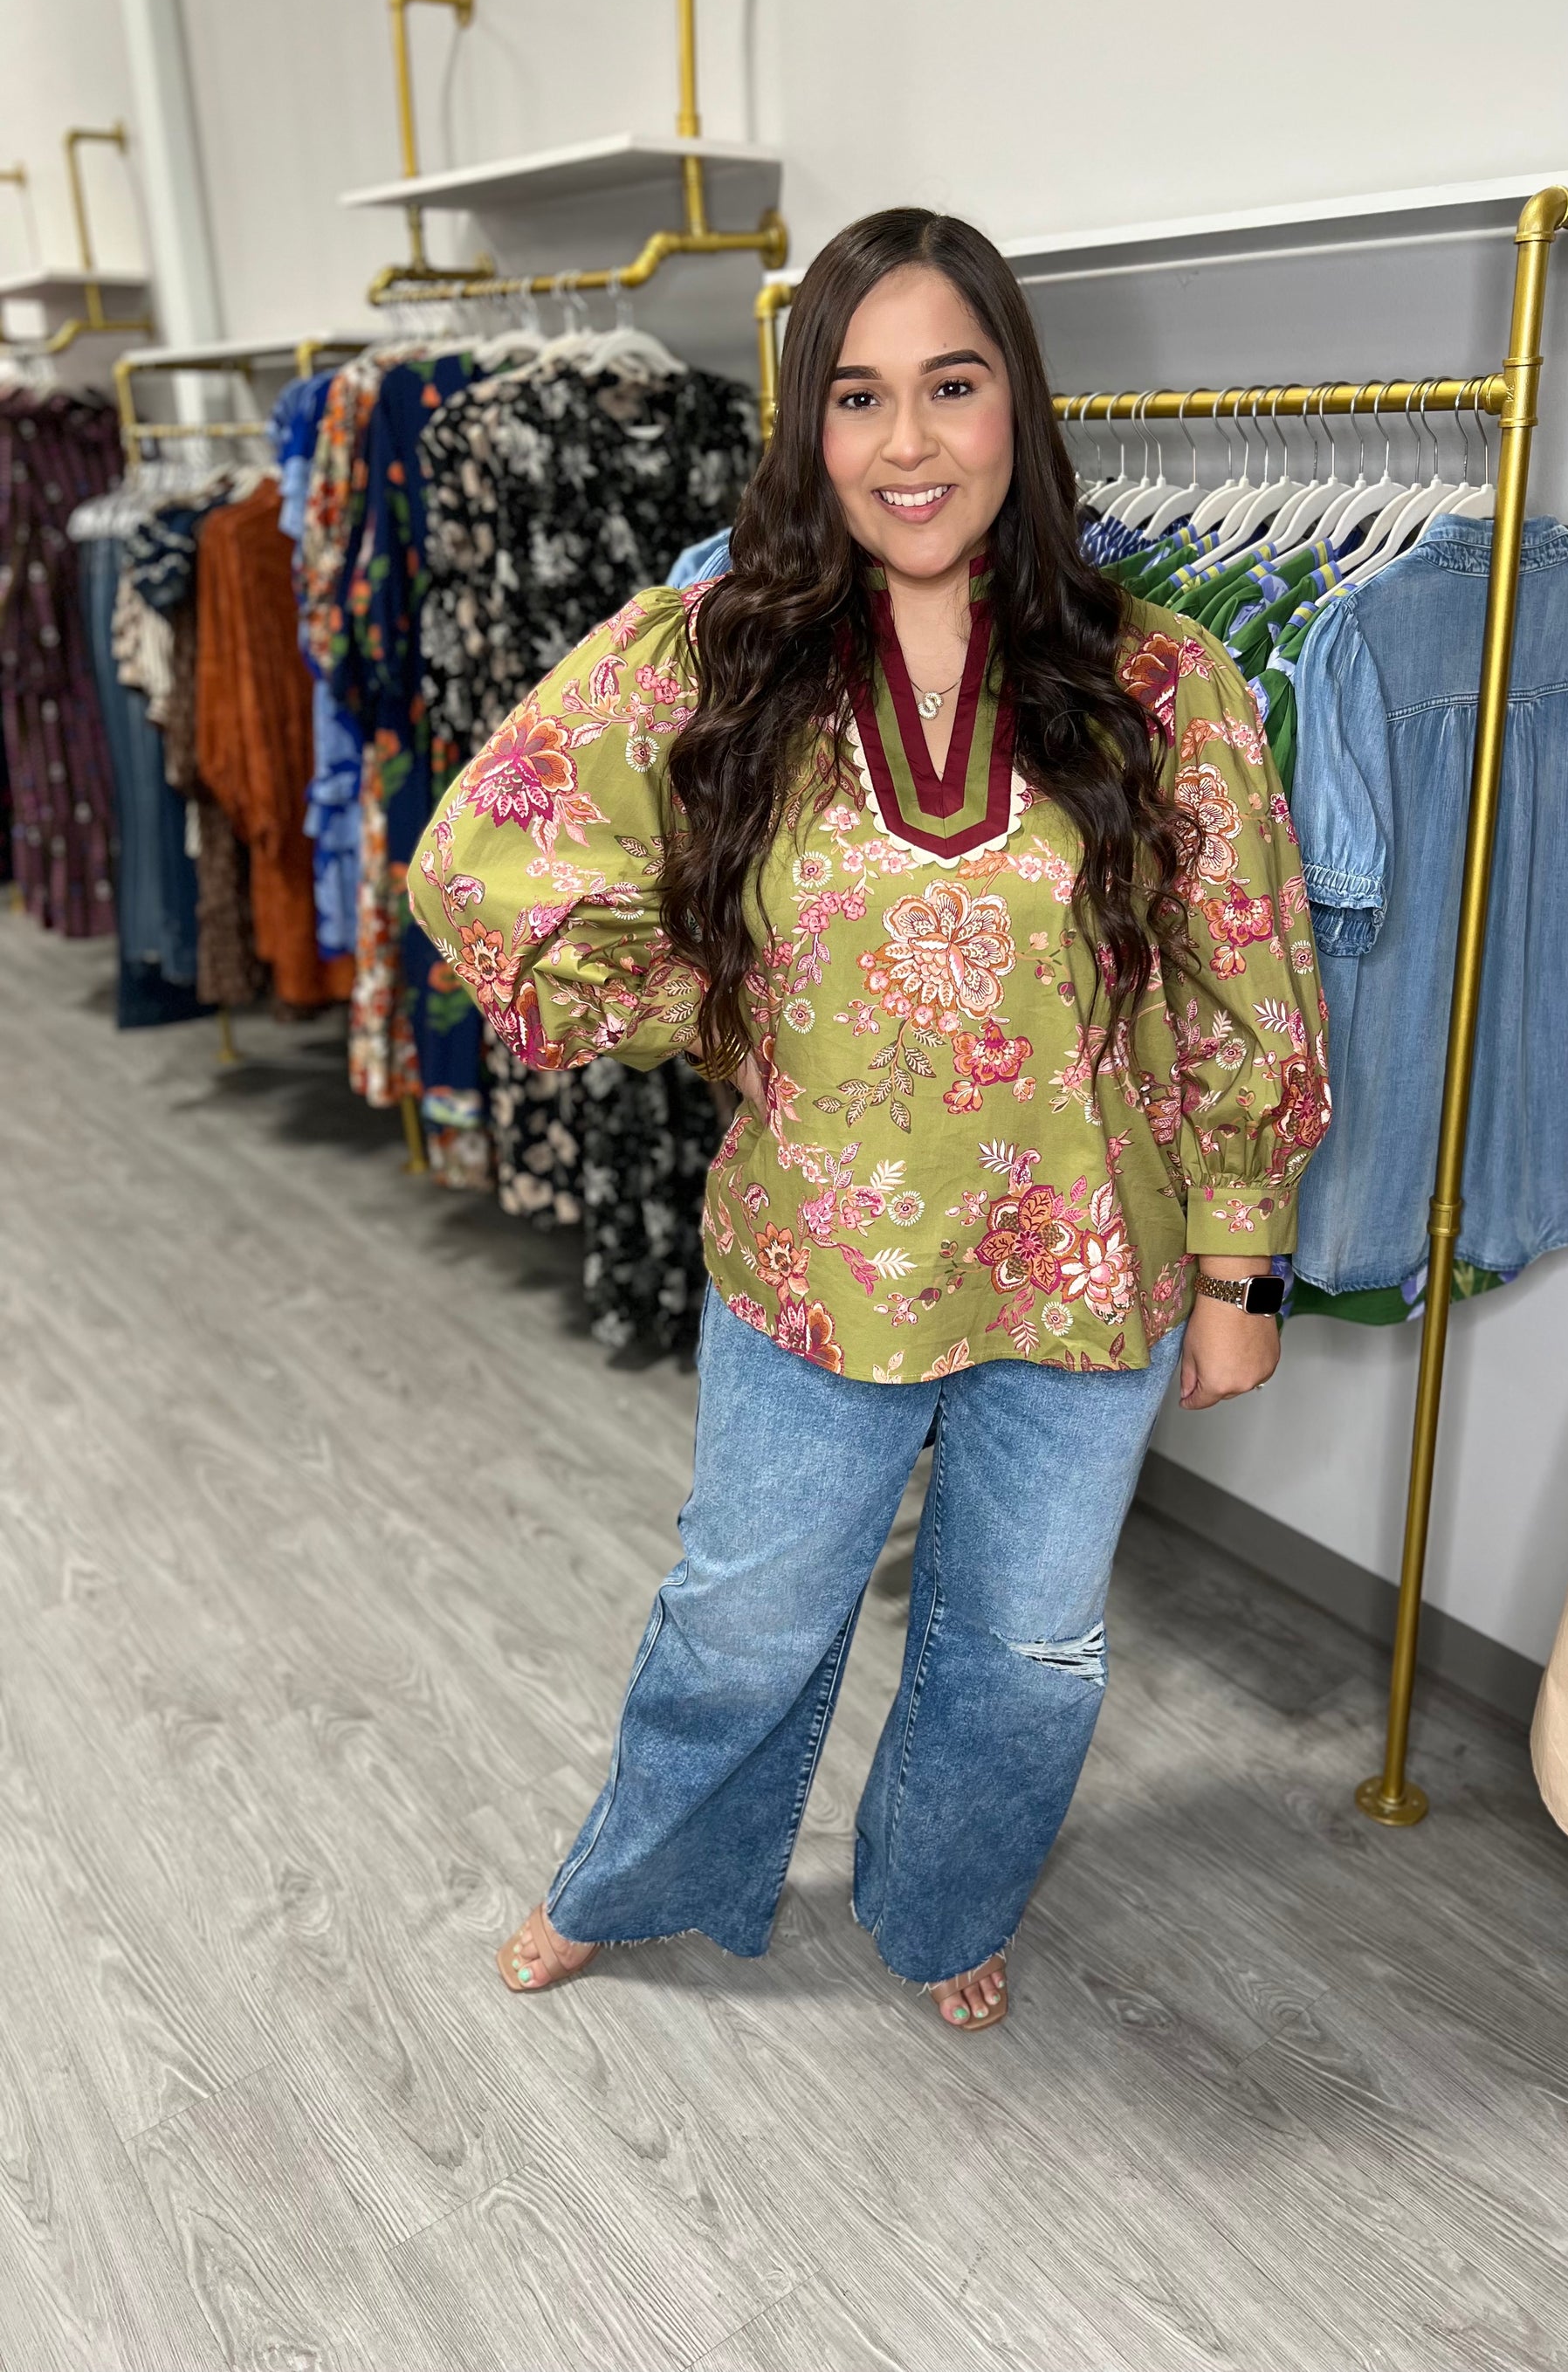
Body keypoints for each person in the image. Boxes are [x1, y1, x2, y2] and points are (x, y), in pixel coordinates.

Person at [408, 208, 1330, 2032]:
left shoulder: (1162, 683)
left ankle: (944, 1898)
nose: (909, 443)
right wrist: (710, 1002)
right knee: (740, 1613)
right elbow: (483, 857)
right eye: (857, 396)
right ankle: (641, 1879)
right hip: (814, 1259)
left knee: (1026, 1649)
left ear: (1017, 407)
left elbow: (1244, 980)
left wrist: (1245, 1270)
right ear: (808, 428)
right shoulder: (714, 657)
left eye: (951, 387)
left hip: (1088, 1273)